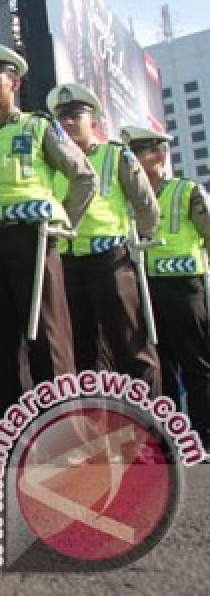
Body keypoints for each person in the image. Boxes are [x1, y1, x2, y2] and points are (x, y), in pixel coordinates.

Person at [0, 42, 96, 442]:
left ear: (13, 83)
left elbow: (84, 176)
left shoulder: (37, 128)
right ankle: (6, 434)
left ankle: (63, 433)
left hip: (34, 239)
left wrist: (63, 218)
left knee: (48, 336)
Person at [47, 84, 161, 391]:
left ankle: (151, 427)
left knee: (131, 346)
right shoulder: (53, 161)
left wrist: (140, 242)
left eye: (75, 116)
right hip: (68, 263)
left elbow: (146, 206)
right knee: (86, 356)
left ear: (93, 121)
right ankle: (103, 433)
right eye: (62, 118)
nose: (68, 123)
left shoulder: (115, 155)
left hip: (110, 260)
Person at [124, 125, 210, 454]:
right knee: (160, 364)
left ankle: (205, 435)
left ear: (159, 155)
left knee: (196, 362)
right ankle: (175, 438)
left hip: (184, 286)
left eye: (140, 152)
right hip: (144, 285)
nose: (132, 161)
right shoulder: (130, 199)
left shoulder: (187, 191)